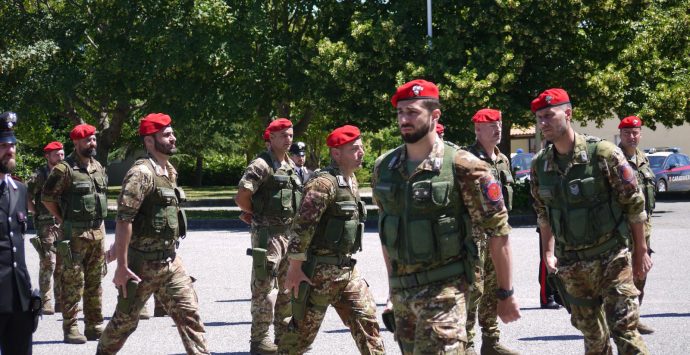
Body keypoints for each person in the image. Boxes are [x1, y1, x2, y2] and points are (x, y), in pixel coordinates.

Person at [372, 79, 520, 354]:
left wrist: (505, 292)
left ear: (435, 115)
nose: (404, 119)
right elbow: (387, 233)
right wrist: (392, 288)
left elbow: (499, 232)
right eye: (400, 112)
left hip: (448, 292)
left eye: (413, 112)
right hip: (404, 295)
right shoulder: (385, 168)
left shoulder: (464, 166)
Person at [529, 88, 651, 355]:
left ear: (568, 114)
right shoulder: (540, 165)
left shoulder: (603, 154)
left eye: (549, 115)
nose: (543, 123)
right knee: (593, 340)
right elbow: (544, 213)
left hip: (612, 258)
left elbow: (634, 202)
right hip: (571, 265)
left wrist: (641, 250)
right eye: (539, 118)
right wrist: (548, 253)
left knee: (625, 331)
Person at [97, 113, 209, 355]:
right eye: (166, 135)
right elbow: (125, 219)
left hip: (170, 260)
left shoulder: (169, 170)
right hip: (142, 264)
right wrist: (122, 265)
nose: (173, 138)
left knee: (190, 315)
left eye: (172, 133)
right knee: (124, 323)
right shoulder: (141, 174)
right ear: (149, 141)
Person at [279, 125, 385, 354]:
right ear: (337, 153)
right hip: (318, 273)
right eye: (355, 149)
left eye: (362, 147)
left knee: (368, 324)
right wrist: (295, 268)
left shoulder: (351, 179)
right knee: (299, 338)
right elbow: (302, 226)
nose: (362, 152)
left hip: (346, 270)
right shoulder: (324, 184)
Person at [236, 118, 301, 354]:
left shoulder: (290, 165)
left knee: (285, 289)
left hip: (288, 235)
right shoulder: (262, 164)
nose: (288, 139)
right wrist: (254, 214)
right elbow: (242, 195)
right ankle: (259, 340)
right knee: (264, 287)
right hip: (268, 237)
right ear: (271, 137)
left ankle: (282, 337)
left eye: (291, 135)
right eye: (283, 135)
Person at [42, 123, 107, 344]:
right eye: (88, 140)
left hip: (97, 233)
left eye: (94, 139)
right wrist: (62, 219)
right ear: (76, 143)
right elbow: (47, 197)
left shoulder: (98, 166)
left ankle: (94, 326)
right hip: (74, 236)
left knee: (95, 282)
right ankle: (70, 328)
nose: (92, 143)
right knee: (73, 282)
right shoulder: (65, 168)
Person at [464, 109, 519, 355]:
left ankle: (491, 341)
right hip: (473, 237)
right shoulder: (466, 159)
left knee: (495, 288)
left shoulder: (502, 160)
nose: (498, 129)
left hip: (495, 236)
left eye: (499, 123)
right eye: (491, 125)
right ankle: (466, 345)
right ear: (478, 129)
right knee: (473, 292)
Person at [0, 111, 37, 354]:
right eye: (3, 145)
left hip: (20, 299)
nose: (10, 150)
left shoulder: (20, 190)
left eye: (12, 145)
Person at [617, 115, 656, 334]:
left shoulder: (643, 158)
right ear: (620, 135)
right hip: (621, 229)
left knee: (641, 273)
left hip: (644, 227)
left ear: (640, 133)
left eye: (635, 132)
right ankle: (619, 320)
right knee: (621, 276)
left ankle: (634, 317)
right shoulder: (614, 158)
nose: (631, 137)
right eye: (627, 133)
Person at [27, 141, 65, 315]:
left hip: (63, 223)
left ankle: (60, 300)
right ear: (47, 156)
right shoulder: (40, 175)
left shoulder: (66, 172)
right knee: (48, 261)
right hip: (45, 223)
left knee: (63, 262)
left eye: (62, 154)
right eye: (56, 154)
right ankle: (46, 299)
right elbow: (25, 194)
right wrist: (35, 211)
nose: (60, 157)